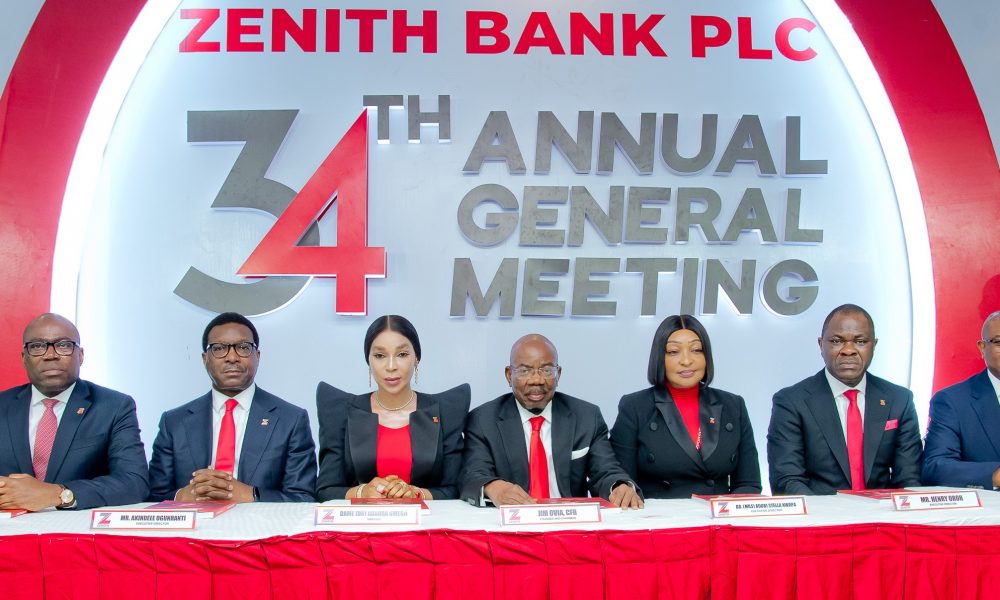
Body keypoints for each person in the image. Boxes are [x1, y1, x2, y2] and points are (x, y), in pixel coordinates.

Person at [460, 333, 643, 509]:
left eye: (547, 370)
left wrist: (618, 486)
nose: (537, 380)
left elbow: (606, 471)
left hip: (569, 521)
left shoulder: (587, 417)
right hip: (512, 521)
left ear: (558, 374)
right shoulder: (483, 420)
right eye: (524, 371)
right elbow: (472, 475)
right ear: (509, 375)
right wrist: (493, 487)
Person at [147, 312, 316, 502]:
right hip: (195, 519)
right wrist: (182, 496)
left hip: (259, 520)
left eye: (243, 348)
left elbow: (303, 498)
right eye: (219, 348)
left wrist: (250, 495)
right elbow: (152, 496)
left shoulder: (290, 420)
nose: (232, 357)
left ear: (257, 356)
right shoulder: (174, 422)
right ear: (205, 358)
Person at [767, 304, 923, 494]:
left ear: (874, 345)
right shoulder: (791, 402)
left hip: (883, 511)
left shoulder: (899, 399)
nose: (848, 350)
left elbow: (909, 478)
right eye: (836, 341)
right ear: (820, 344)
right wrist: (829, 512)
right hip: (820, 511)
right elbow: (787, 480)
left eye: (860, 341)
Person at [0, 313, 148, 510]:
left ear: (81, 355)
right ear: (23, 358)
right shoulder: (3, 405)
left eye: (63, 345)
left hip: (78, 527)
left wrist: (57, 494)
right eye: (37, 346)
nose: (50, 355)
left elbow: (134, 482)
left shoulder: (114, 406)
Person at [316, 315, 470, 501]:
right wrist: (362, 492)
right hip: (362, 518)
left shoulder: (446, 410)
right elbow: (325, 490)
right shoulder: (340, 410)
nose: (391, 366)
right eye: (380, 356)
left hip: (427, 518)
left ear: (417, 358)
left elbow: (456, 489)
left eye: (402, 354)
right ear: (368, 361)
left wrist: (416, 493)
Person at [610, 315, 761, 498]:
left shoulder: (734, 405)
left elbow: (748, 483)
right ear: (659, 357)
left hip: (718, 513)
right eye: (674, 351)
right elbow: (622, 484)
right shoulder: (635, 406)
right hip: (658, 514)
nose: (687, 360)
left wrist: (727, 512)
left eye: (696, 350)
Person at [922, 311, 1000, 488]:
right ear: (982, 347)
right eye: (999, 342)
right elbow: (936, 467)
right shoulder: (952, 402)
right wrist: (994, 476)